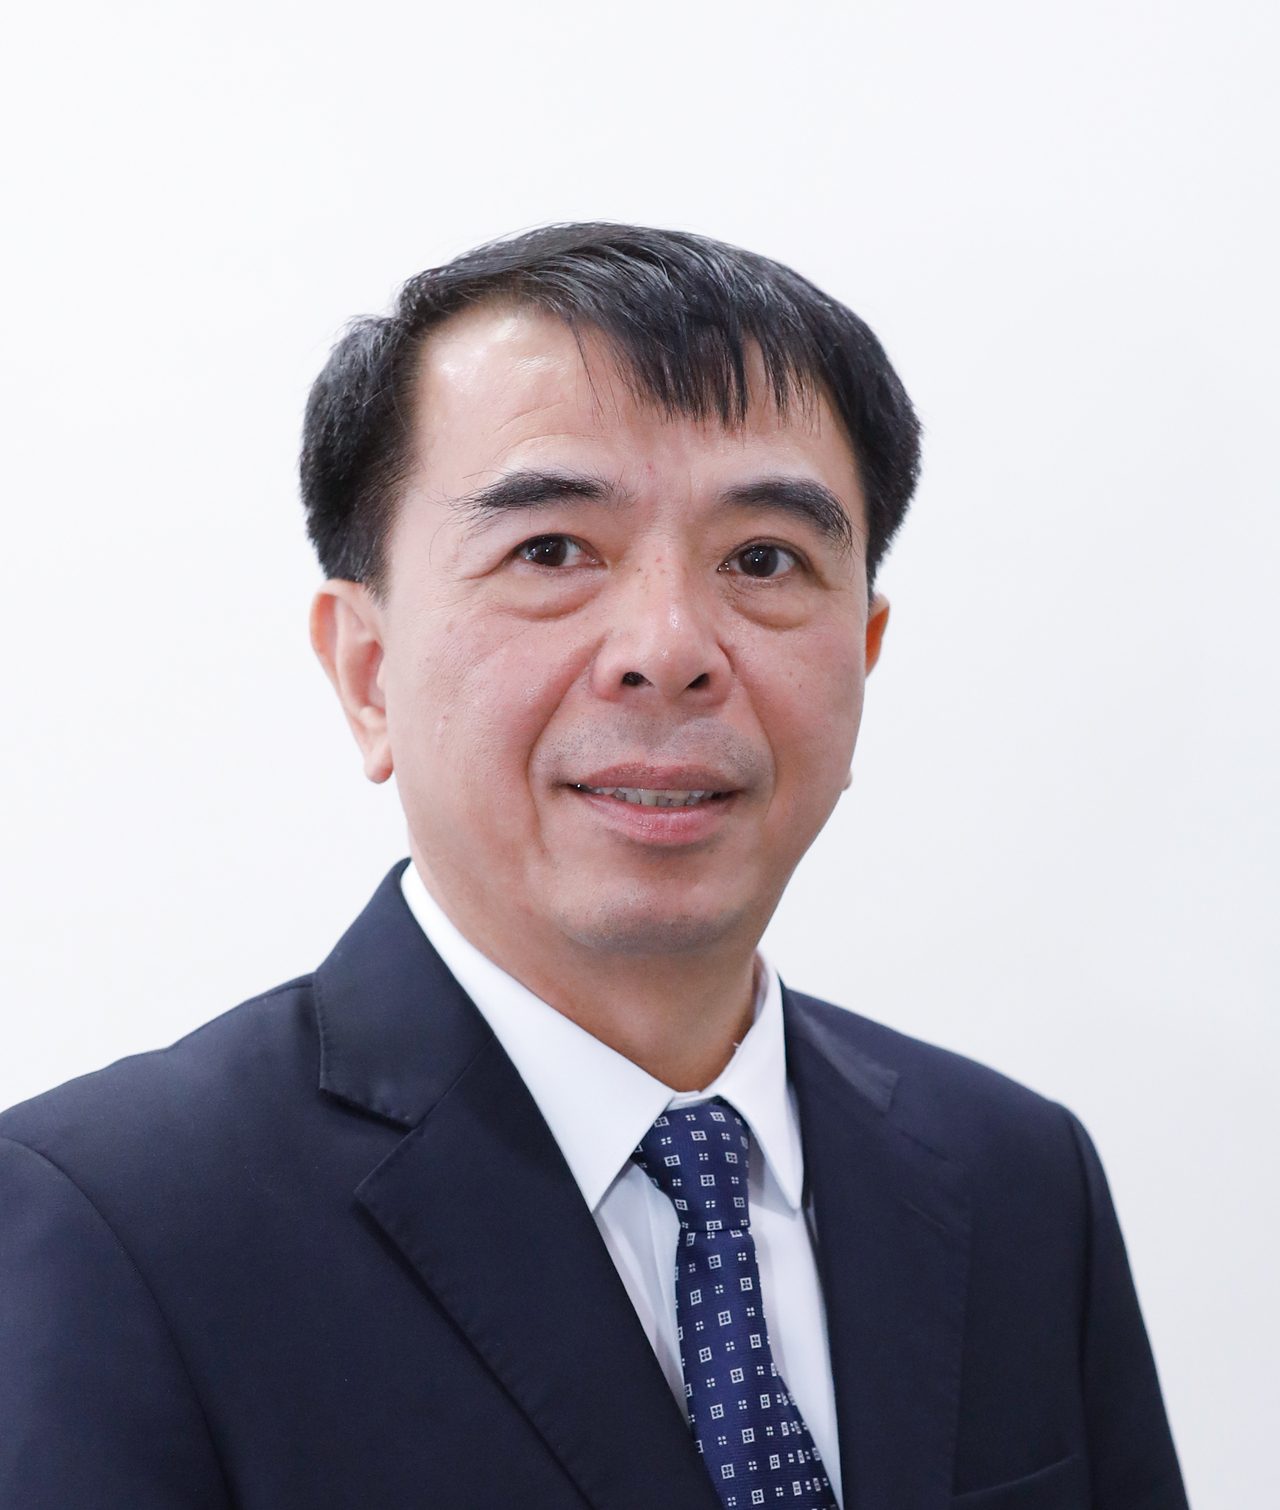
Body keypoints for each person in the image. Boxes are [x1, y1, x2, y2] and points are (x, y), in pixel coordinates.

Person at [0, 223, 1188, 1509]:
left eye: (763, 560)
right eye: (551, 551)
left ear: (863, 651)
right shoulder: (111, 1222)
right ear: (367, 671)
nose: (667, 649)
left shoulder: (1018, 1179)